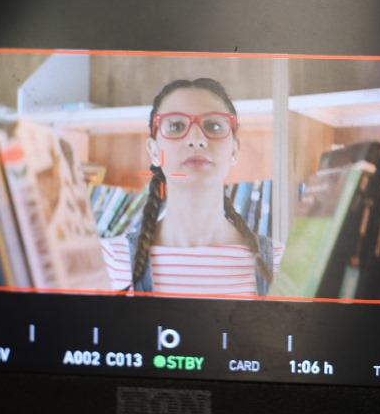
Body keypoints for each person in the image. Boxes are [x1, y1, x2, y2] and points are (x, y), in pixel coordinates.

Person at [101, 78, 280, 296]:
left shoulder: (281, 264)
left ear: (233, 150)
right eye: (176, 126)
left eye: (213, 126)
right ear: (154, 152)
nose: (196, 139)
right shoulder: (106, 262)